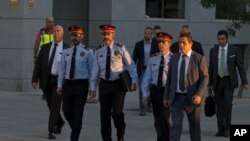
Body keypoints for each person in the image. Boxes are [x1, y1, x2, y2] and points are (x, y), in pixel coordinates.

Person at [89, 24, 138, 141]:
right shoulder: (98, 50)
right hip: (104, 84)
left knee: (116, 113)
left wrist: (134, 80)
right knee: (104, 115)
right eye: (104, 34)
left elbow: (130, 65)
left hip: (118, 85)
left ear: (113, 34)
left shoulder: (120, 48)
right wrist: (92, 87)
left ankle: (120, 132)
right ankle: (106, 138)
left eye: (108, 34)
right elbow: (95, 69)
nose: (106, 36)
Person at [163, 33, 208, 141]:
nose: (181, 45)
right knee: (175, 127)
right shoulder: (174, 58)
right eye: (180, 43)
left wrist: (199, 94)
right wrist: (166, 96)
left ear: (190, 44)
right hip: (176, 98)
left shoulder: (198, 58)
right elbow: (169, 79)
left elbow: (205, 78)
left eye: (184, 43)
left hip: (193, 99)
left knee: (194, 128)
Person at [57, 25, 95, 141]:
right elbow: (62, 69)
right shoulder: (66, 51)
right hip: (68, 85)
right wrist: (59, 84)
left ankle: (74, 138)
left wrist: (92, 87)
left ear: (81, 36)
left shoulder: (88, 52)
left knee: (78, 113)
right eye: (72, 35)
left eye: (76, 35)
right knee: (66, 110)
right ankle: (76, 129)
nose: (74, 37)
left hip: (81, 85)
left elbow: (92, 70)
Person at [208, 30, 248, 137]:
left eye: (222, 39)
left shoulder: (234, 50)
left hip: (229, 81)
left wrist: (245, 82)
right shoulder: (213, 50)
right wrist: (209, 83)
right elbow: (211, 67)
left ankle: (227, 128)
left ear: (227, 39)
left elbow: (240, 66)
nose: (220, 41)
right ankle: (220, 129)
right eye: (219, 39)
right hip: (217, 81)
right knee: (219, 106)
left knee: (227, 104)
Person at [32, 25, 67, 140]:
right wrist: (34, 79)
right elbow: (38, 64)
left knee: (56, 106)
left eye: (58, 31)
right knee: (50, 105)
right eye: (54, 31)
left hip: (59, 81)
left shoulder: (67, 48)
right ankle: (60, 122)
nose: (56, 33)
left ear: (62, 34)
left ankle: (51, 131)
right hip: (47, 80)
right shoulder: (46, 47)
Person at [141, 32, 172, 141]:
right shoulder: (153, 58)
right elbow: (146, 78)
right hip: (155, 91)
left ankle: (166, 138)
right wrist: (145, 94)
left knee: (164, 118)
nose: (161, 44)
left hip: (167, 92)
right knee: (157, 120)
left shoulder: (174, 59)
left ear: (169, 43)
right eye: (159, 42)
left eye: (163, 42)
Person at [132, 27, 159, 116]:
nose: (147, 35)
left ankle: (148, 102)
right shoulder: (138, 44)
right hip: (142, 69)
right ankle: (142, 109)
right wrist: (133, 72)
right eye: (145, 33)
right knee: (142, 90)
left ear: (152, 34)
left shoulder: (156, 44)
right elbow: (134, 59)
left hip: (153, 70)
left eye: (149, 33)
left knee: (153, 89)